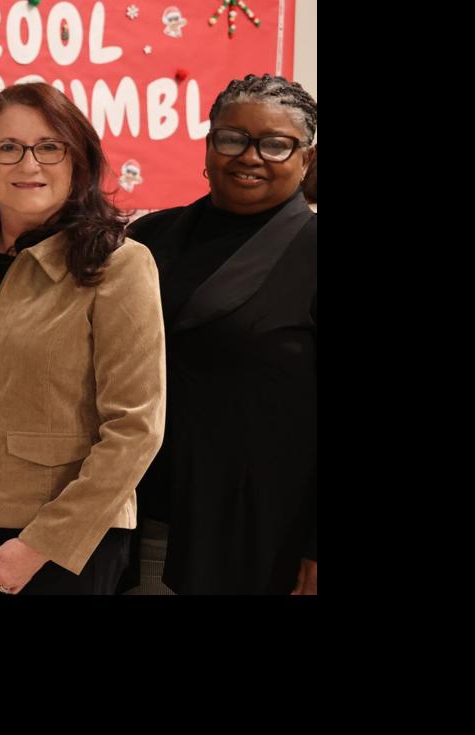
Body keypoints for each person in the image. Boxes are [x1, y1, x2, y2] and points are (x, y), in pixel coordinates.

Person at [0, 82, 163, 595]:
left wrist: (41, 544)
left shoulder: (119, 264)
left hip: (61, 541)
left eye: (50, 147)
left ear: (78, 161)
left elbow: (136, 428)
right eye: (7, 147)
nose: (29, 164)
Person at [127, 74, 317, 595]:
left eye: (275, 144)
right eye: (232, 138)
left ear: (306, 159)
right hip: (138, 515)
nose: (250, 157)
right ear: (209, 145)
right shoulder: (147, 238)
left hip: (260, 532)